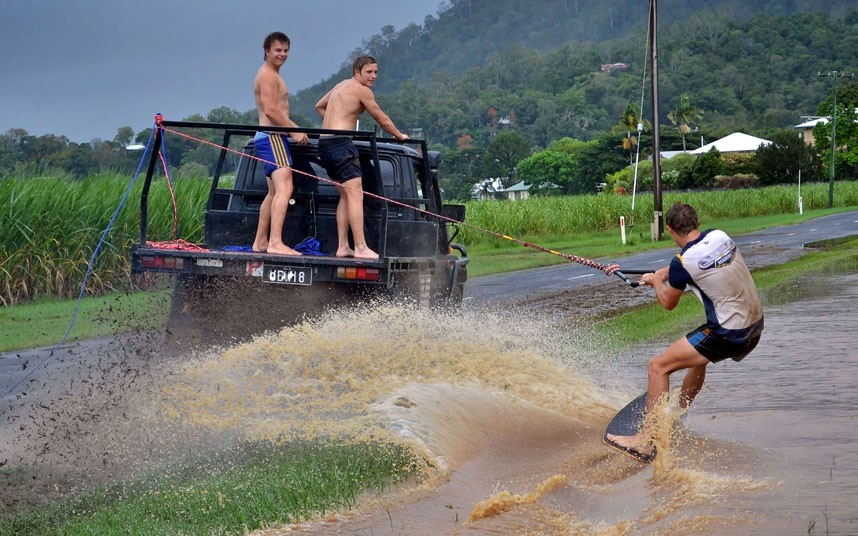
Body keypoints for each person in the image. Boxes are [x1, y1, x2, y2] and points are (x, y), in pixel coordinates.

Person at [607, 202, 764, 457]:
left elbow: (668, 302)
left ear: (669, 229)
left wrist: (658, 281)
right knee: (697, 356)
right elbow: (688, 265)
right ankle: (678, 412)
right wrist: (663, 273)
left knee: (658, 366)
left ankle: (645, 440)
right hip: (754, 326)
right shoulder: (719, 236)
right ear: (696, 223)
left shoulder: (682, 262)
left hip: (728, 333)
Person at [314, 55, 408, 259]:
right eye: (369, 72)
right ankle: (361, 247)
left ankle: (343, 246)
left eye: (376, 72)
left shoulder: (341, 85)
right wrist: (399, 135)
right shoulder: (361, 90)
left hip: (325, 144)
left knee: (346, 195)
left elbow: (319, 106)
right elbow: (380, 117)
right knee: (356, 194)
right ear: (357, 72)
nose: (373, 76)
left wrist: (336, 123)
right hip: (340, 145)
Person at [251, 31, 309, 255]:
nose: (282, 54)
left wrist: (296, 128)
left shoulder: (272, 74)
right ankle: (276, 242)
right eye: (277, 50)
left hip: (271, 136)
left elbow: (278, 111)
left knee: (274, 192)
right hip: (273, 137)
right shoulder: (267, 75)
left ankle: (260, 242)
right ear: (267, 51)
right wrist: (293, 131)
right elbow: (271, 110)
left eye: (285, 50)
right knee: (286, 188)